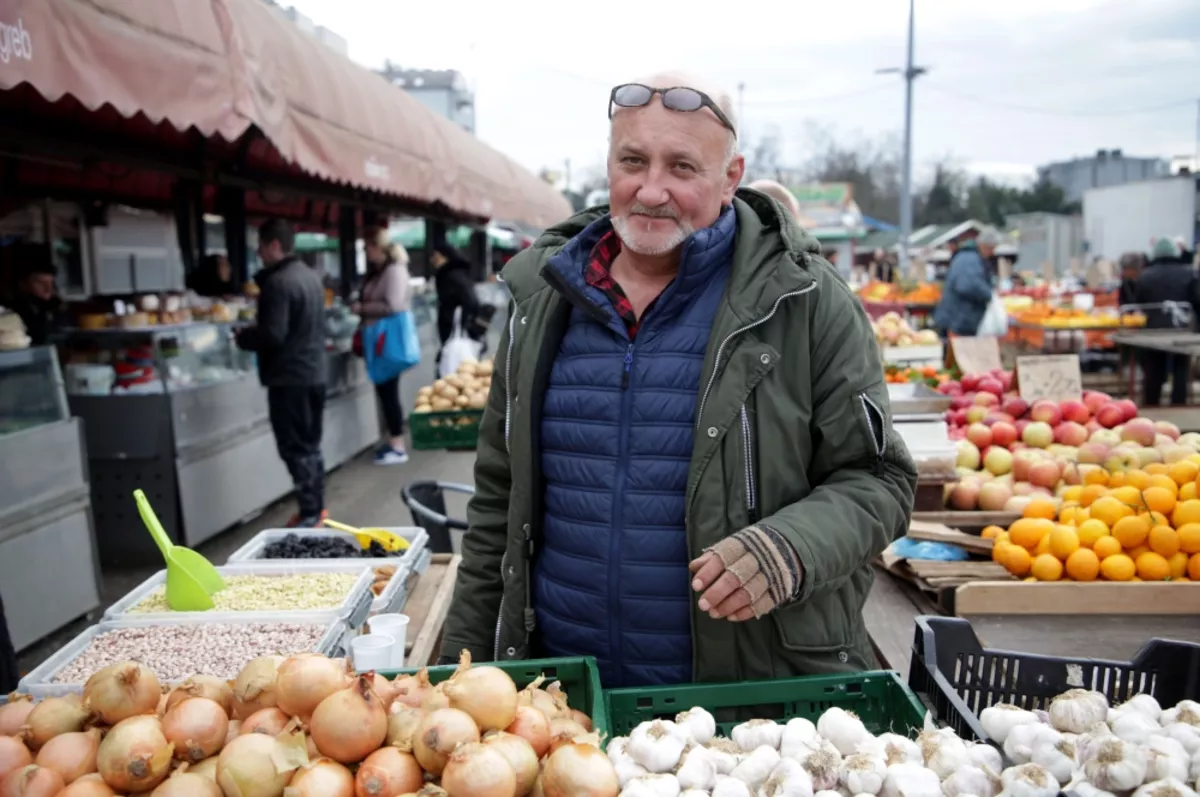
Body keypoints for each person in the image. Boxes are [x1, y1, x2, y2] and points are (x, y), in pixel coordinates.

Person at [439, 70, 917, 687]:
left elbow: (880, 478)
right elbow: (498, 505)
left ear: (730, 178)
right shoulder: (541, 299)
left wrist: (791, 549)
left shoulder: (803, 301)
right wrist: (455, 671)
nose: (652, 190)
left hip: (743, 705)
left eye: (683, 168)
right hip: (560, 703)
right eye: (632, 160)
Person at [236, 219, 328, 527]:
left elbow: (273, 334)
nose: (258, 253)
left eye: (261, 246)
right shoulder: (310, 276)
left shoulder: (277, 283)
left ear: (274, 245)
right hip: (314, 372)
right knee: (310, 445)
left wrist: (242, 336)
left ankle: (311, 513)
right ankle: (314, 509)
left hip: (290, 377)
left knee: (296, 448)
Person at [356, 228, 412, 466]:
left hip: (385, 339)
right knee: (386, 391)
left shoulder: (393, 271)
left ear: (377, 247)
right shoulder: (383, 271)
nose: (365, 252)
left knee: (388, 391)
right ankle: (393, 442)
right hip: (378, 338)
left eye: (367, 247)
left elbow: (394, 305)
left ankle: (397, 445)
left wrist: (362, 309)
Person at [1135, 237, 1198, 407]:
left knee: (1154, 368)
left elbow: (1139, 302)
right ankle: (1178, 402)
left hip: (1153, 330)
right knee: (1180, 366)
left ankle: (1151, 402)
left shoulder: (1146, 275)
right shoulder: (1189, 272)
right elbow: (1196, 300)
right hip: (1182, 329)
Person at [932, 230, 998, 337]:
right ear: (984, 246)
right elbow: (967, 285)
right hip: (959, 319)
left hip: (959, 317)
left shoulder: (968, 257)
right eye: (991, 249)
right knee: (957, 351)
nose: (992, 253)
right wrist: (989, 294)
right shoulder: (970, 259)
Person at [430, 242, 486, 346]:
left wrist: (463, 324)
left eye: (435, 256)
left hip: (456, 332)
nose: (432, 260)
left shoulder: (452, 276)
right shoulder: (454, 274)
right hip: (455, 332)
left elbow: (471, 301)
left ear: (445, 257)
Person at [10, 255, 62, 346]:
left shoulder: (55, 307)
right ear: (23, 285)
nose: (48, 289)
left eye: (51, 283)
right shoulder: (14, 313)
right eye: (41, 283)